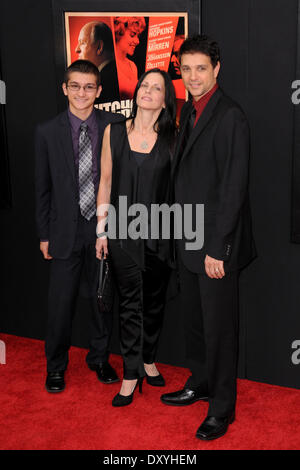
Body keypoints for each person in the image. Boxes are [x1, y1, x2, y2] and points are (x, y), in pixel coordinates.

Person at [160, 35, 256, 440]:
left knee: (220, 329)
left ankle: (222, 407)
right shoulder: (189, 110)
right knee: (196, 324)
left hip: (216, 245)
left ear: (217, 69)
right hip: (188, 239)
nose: (193, 76)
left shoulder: (229, 115)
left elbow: (234, 188)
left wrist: (219, 248)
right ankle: (199, 382)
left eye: (201, 68)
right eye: (186, 69)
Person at [35, 60, 123, 393]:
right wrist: (44, 234)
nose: (82, 93)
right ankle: (55, 366)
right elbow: (42, 187)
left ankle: (100, 359)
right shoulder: (46, 131)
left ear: (99, 91)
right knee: (60, 305)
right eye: (75, 86)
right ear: (64, 88)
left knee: (101, 300)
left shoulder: (115, 125)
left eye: (89, 87)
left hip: (102, 229)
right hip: (63, 233)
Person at [96, 68, 177, 406]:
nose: (147, 91)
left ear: (165, 100)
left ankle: (148, 359)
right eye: (144, 85)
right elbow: (105, 182)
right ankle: (130, 373)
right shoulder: (113, 132)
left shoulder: (174, 138)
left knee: (154, 304)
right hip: (121, 234)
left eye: (156, 88)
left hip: (161, 235)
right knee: (129, 304)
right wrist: (101, 231)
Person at [75, 21, 120, 104]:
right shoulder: (118, 74)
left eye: (82, 43)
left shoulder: (101, 84)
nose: (77, 49)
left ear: (99, 47)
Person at [113, 17, 146, 99]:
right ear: (119, 32)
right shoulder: (108, 64)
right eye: (132, 35)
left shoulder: (132, 66)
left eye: (138, 36)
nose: (137, 41)